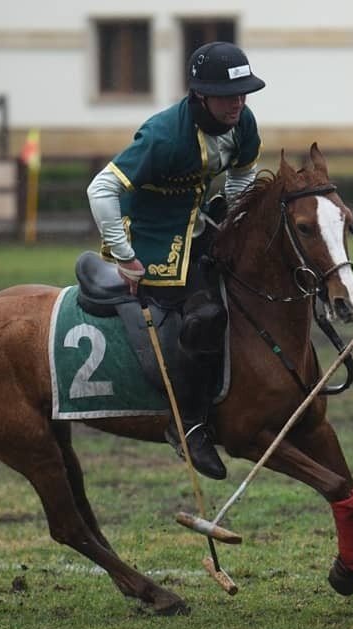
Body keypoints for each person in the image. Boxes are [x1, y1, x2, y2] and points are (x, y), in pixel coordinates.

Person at [86, 41, 266, 480]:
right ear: (200, 95)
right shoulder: (164, 135)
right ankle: (189, 426)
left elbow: (244, 170)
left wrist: (233, 207)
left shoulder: (242, 122)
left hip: (198, 226)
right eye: (229, 96)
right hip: (148, 236)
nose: (238, 104)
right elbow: (100, 190)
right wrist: (125, 259)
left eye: (244, 94)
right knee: (203, 315)